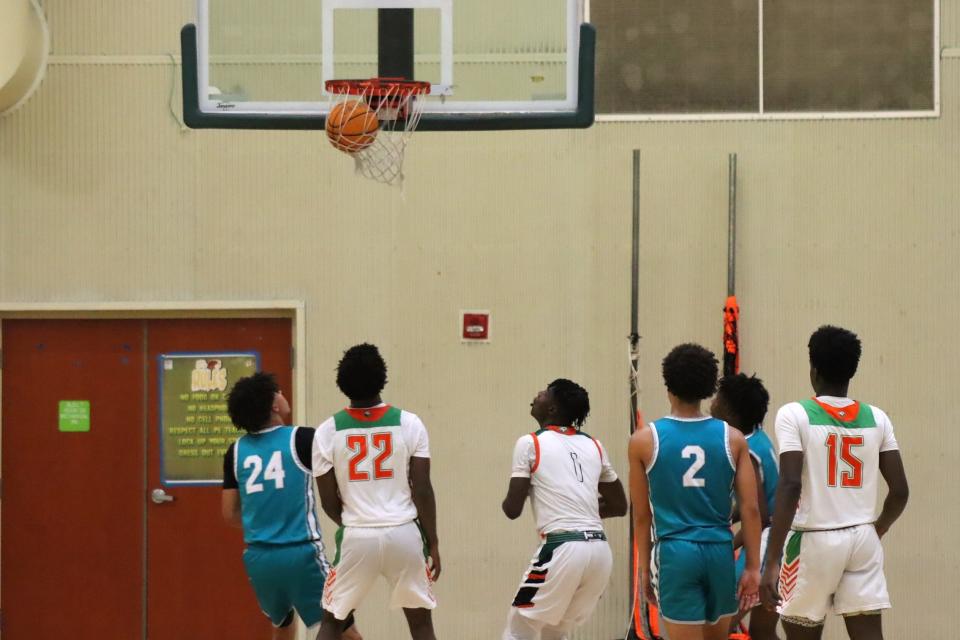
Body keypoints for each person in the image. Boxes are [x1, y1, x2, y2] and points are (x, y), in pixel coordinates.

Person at [760, 326, 910, 640]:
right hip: (863, 539)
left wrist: (772, 560)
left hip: (813, 540)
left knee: (802, 633)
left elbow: (789, 485)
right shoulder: (878, 417)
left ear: (813, 369)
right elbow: (899, 492)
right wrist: (877, 529)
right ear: (851, 370)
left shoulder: (794, 414)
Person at [629, 343, 762, 640]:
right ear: (709, 388)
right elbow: (751, 509)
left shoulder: (643, 440)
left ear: (668, 386)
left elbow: (641, 516)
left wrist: (643, 569)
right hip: (719, 551)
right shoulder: (734, 438)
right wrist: (752, 566)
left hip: (676, 552)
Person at [313, 343, 440, 640]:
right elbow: (422, 489)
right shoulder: (410, 423)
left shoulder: (328, 430)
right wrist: (432, 541)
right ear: (383, 377)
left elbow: (328, 501)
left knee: (332, 621)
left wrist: (355, 524)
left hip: (357, 534)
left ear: (342, 383)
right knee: (421, 624)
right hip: (405, 534)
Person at [221, 372, 362, 640]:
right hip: (301, 553)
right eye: (279, 391)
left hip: (259, 558)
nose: (283, 394)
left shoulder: (235, 451)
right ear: (274, 405)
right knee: (346, 631)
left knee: (282, 626)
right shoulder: (302, 438)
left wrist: (265, 520)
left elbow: (229, 514)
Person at [500, 378, 627, 640]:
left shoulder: (530, 443)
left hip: (563, 548)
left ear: (552, 410)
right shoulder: (594, 444)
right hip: (599, 553)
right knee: (554, 632)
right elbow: (619, 505)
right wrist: (580, 507)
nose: (537, 393)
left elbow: (512, 509)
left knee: (518, 629)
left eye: (545, 393)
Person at [711, 373, 779, 640]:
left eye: (717, 399)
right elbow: (751, 501)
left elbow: (759, 516)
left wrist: (731, 545)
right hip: (780, 541)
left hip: (767, 542)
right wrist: (727, 515)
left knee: (720, 624)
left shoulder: (747, 450)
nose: (712, 404)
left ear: (730, 411)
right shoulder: (759, 437)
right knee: (763, 631)